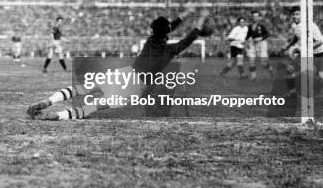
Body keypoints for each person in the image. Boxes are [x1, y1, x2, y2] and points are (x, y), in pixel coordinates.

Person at [28, 8, 209, 120]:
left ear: (153, 30)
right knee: (93, 106)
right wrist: (198, 23)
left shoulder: (151, 40)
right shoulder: (170, 50)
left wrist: (184, 14)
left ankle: (49, 101)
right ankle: (57, 116)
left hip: (126, 74)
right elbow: (186, 41)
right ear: (166, 33)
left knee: (81, 88)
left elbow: (167, 27)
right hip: (138, 88)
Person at [279, 6, 323, 97]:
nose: (295, 16)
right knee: (289, 71)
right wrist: (286, 46)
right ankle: (293, 92)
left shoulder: (309, 26)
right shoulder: (297, 26)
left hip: (319, 53)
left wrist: (304, 48)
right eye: (293, 14)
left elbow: (319, 41)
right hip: (306, 53)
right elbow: (296, 37)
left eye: (297, 14)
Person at [245, 10, 274, 80]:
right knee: (251, 60)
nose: (255, 17)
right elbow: (248, 35)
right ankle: (253, 76)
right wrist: (246, 42)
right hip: (252, 43)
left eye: (256, 16)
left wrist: (261, 38)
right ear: (252, 17)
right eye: (254, 16)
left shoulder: (262, 25)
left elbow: (267, 34)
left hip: (261, 44)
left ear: (259, 17)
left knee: (263, 63)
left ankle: (270, 69)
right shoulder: (250, 26)